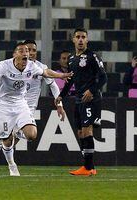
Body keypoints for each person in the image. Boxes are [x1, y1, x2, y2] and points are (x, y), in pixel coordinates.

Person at [0, 42, 72, 176]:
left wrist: (61, 76)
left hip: (21, 104)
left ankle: (6, 141)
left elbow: (46, 73)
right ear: (15, 54)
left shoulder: (33, 66)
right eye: (23, 50)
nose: (27, 53)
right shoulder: (4, 65)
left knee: (31, 134)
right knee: (6, 141)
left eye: (29, 51)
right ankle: (10, 164)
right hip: (4, 105)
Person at [55, 28, 107, 176]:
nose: (80, 39)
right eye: (78, 37)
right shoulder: (71, 59)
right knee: (80, 132)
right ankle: (90, 166)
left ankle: (88, 168)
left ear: (87, 40)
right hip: (78, 100)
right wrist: (61, 96)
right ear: (73, 39)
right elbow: (70, 81)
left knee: (87, 130)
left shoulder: (92, 56)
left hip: (91, 98)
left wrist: (92, 90)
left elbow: (103, 78)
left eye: (83, 37)